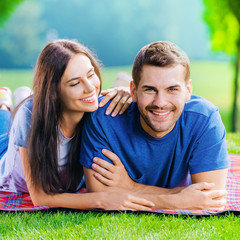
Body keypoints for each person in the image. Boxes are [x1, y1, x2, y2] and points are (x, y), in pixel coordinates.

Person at [0, 39, 155, 211]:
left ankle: (19, 97)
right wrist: (102, 200)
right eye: (75, 83)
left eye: (90, 74)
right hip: (12, 172)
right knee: (3, 138)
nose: (90, 88)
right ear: (53, 93)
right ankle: (4, 104)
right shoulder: (30, 116)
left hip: (66, 180)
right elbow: (40, 197)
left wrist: (126, 93)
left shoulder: (92, 108)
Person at [80, 41, 229, 210]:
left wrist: (130, 187)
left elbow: (211, 198)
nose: (160, 103)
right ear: (133, 91)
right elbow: (100, 195)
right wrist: (178, 200)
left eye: (172, 89)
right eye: (150, 89)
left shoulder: (205, 118)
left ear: (188, 90)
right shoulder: (103, 116)